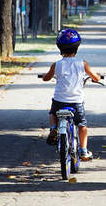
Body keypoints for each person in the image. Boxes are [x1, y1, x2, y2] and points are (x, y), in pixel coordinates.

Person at [42, 29, 101, 161]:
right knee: (82, 125)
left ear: (60, 48)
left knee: (52, 113)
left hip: (59, 101)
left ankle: (53, 128)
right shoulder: (82, 64)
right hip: (76, 102)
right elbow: (95, 77)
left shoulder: (56, 65)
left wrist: (44, 77)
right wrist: (97, 76)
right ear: (77, 47)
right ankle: (84, 151)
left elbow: (47, 78)